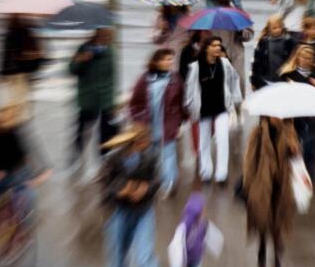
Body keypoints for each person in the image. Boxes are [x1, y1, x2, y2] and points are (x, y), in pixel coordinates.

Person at [98, 125, 161, 267]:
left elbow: (156, 181)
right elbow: (104, 189)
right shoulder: (112, 160)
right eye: (143, 142)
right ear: (134, 142)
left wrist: (146, 188)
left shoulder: (150, 157)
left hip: (143, 213)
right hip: (119, 215)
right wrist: (120, 191)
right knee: (117, 258)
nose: (146, 146)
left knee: (144, 257)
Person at [0, 105, 52, 243]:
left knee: (28, 196)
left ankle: (27, 227)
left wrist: (42, 173)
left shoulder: (17, 133)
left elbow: (33, 153)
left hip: (17, 174)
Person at [243, 117, 300, 267]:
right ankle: (261, 246)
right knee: (263, 221)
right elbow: (249, 161)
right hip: (262, 186)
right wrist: (249, 185)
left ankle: (277, 261)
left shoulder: (289, 131)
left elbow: (295, 157)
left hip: (281, 187)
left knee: (278, 227)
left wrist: (294, 150)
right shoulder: (259, 132)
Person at [185, 36, 243, 185]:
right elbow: (190, 89)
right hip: (203, 110)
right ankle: (206, 172)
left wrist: (236, 98)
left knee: (222, 139)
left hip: (221, 108)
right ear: (206, 48)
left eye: (219, 45)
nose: (218, 48)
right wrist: (189, 106)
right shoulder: (196, 67)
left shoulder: (224, 63)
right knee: (203, 142)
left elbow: (234, 79)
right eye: (214, 45)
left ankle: (221, 175)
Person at [129, 49, 187, 196]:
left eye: (171, 59)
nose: (169, 62)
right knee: (151, 156)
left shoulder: (176, 79)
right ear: (156, 61)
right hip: (149, 127)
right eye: (166, 59)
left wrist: (182, 121)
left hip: (169, 125)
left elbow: (182, 102)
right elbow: (135, 103)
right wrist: (139, 120)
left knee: (169, 155)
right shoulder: (145, 79)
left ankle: (169, 184)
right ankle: (152, 182)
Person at [69, 27, 117, 171]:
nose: (103, 40)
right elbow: (71, 69)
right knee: (81, 131)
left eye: (106, 37)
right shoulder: (83, 48)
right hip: (87, 99)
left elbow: (112, 78)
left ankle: (104, 161)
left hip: (105, 100)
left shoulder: (110, 51)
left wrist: (112, 102)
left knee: (105, 133)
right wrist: (82, 60)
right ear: (95, 35)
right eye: (101, 36)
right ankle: (76, 158)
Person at [280, 45, 315, 180]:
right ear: (297, 58)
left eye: (309, 58)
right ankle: (288, 177)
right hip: (293, 118)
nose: (306, 60)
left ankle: (309, 180)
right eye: (304, 57)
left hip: (311, 118)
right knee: (291, 149)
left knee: (310, 151)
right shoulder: (288, 74)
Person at [0, 14, 44, 123]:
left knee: (11, 102)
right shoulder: (24, 32)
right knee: (18, 101)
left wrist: (1, 73)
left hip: (11, 73)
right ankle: (15, 122)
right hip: (20, 72)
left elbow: (4, 56)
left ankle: (12, 123)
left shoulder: (10, 33)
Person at [250, 14, 296, 91]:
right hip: (266, 80)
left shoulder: (289, 41)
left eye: (280, 27)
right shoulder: (263, 42)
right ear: (269, 29)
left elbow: (293, 60)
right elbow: (256, 62)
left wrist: (292, 77)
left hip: (284, 80)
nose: (278, 30)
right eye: (274, 28)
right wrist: (254, 81)